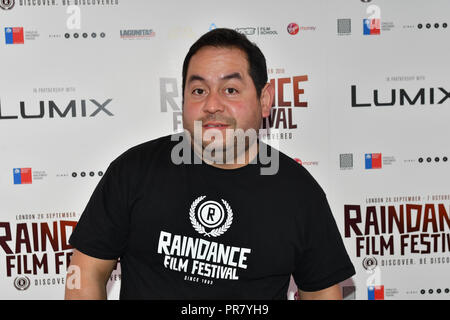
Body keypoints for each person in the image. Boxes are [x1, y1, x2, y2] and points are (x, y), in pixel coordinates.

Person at [65, 28, 355, 300]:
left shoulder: (298, 193)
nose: (212, 105)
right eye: (199, 91)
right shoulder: (133, 171)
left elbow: (322, 293)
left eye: (230, 90)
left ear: (264, 100)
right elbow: (86, 272)